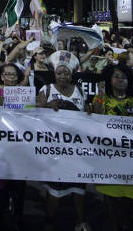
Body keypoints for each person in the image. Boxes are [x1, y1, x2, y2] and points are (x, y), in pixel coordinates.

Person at [36, 59, 89, 231]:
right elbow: (36, 109)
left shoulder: (80, 90)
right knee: (55, 188)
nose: (63, 76)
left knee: (79, 186)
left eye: (66, 73)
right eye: (59, 73)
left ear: (71, 74)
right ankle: (50, 221)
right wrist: (46, 106)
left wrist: (91, 110)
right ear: (54, 75)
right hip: (54, 147)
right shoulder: (47, 89)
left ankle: (80, 222)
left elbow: (88, 112)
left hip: (77, 147)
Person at [91, 63, 133, 231]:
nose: (121, 80)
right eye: (117, 77)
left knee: (130, 199)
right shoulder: (102, 98)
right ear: (109, 79)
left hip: (131, 158)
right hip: (109, 157)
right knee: (111, 199)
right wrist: (100, 93)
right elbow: (96, 117)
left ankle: (128, 223)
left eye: (124, 77)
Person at [0, 63, 27, 229]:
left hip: (19, 146)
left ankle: (18, 218)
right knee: (0, 186)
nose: (10, 77)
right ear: (1, 77)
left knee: (18, 186)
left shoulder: (24, 92)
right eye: (7, 74)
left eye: (14, 75)